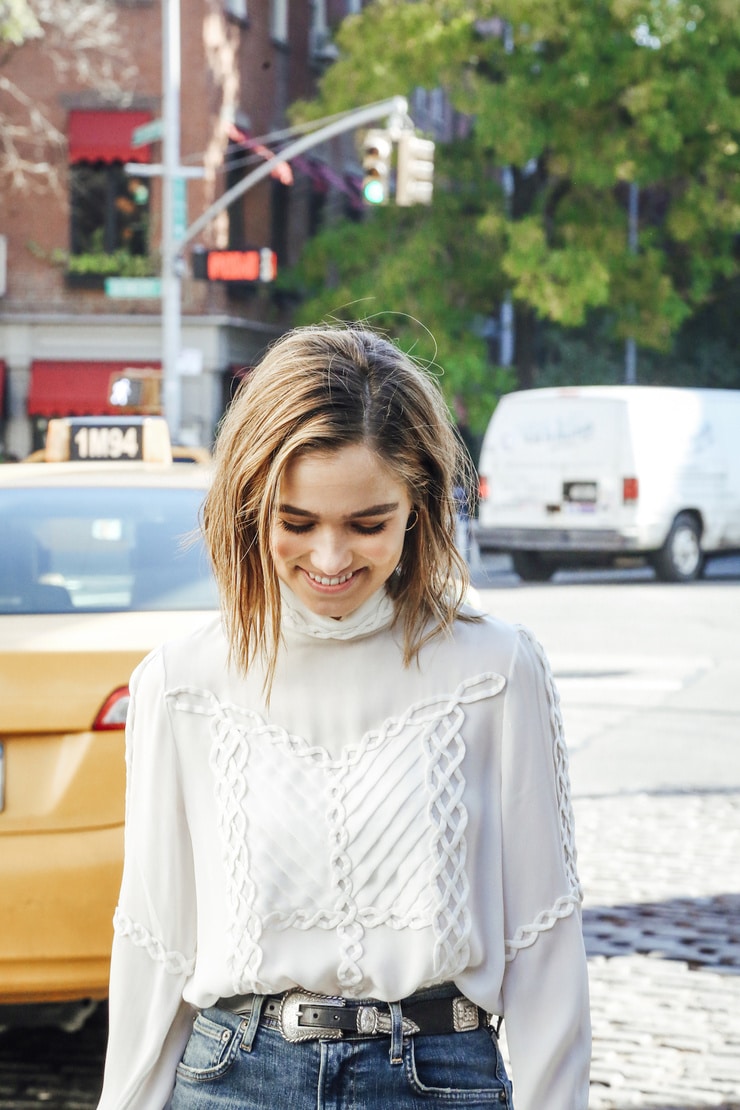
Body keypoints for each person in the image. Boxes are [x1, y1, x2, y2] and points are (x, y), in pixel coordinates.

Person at [98, 324, 591, 1110]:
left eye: (367, 524)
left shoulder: (497, 670)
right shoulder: (181, 681)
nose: (331, 561)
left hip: (439, 1080)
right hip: (232, 1081)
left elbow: (544, 945)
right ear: (250, 507)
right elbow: (155, 947)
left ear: (420, 508)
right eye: (297, 523)